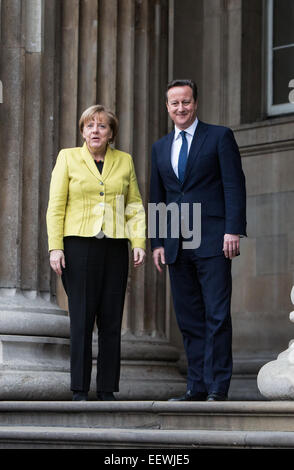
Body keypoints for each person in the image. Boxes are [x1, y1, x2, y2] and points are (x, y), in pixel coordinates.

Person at [149, 79, 246, 401]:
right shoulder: (160, 147)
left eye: (186, 102)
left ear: (195, 103)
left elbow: (234, 185)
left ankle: (218, 387)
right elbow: (158, 195)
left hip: (215, 240)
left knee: (217, 315)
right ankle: (197, 385)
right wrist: (158, 242)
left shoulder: (219, 136)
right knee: (189, 318)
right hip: (177, 243)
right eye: (174, 103)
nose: (181, 108)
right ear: (167, 107)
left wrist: (233, 230)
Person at [47, 104, 146, 401]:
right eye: (90, 125)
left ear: (111, 133)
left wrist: (138, 242)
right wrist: (56, 247)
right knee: (81, 318)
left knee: (111, 320)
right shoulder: (68, 157)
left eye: (102, 126)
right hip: (78, 245)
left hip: (115, 246)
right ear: (82, 130)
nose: (95, 131)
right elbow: (56, 206)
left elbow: (135, 206)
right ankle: (79, 389)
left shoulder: (125, 161)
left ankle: (106, 389)